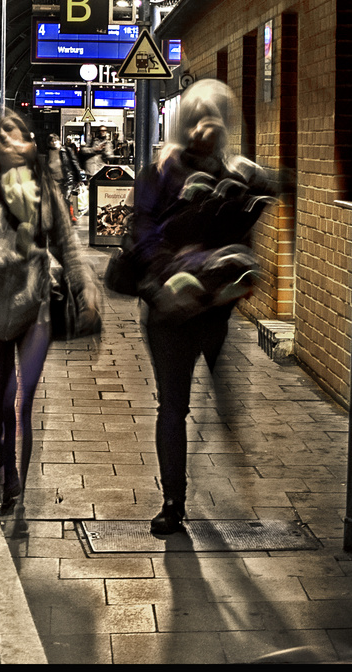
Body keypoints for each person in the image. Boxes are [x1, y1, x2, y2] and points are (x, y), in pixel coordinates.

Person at [132, 79, 275, 536]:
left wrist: (238, 273)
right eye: (195, 122)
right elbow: (141, 236)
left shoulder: (235, 177)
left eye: (213, 122)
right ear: (183, 125)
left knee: (221, 394)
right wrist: (169, 279)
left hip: (215, 312)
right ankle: (173, 503)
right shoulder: (158, 174)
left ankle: (231, 453)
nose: (203, 132)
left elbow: (243, 238)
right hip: (169, 314)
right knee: (173, 406)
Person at [0, 105, 102, 515]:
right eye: (5, 136)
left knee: (24, 399)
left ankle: (18, 481)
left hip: (35, 307)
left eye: (20, 134)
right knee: (2, 397)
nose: (16, 141)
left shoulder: (45, 190)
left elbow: (68, 244)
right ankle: (4, 467)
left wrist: (85, 287)